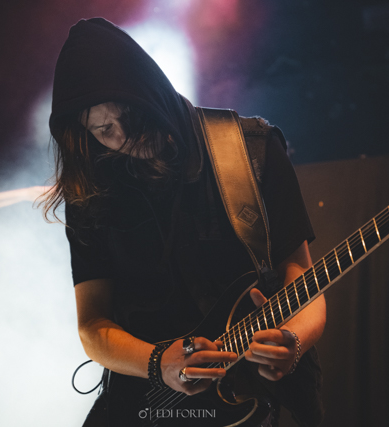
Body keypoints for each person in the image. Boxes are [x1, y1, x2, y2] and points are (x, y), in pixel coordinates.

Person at [44, 18, 326, 427]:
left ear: (151, 91)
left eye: (130, 115)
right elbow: (92, 325)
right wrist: (158, 363)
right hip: (145, 403)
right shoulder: (92, 189)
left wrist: (293, 340)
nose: (123, 135)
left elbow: (301, 276)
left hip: (251, 397)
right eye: (104, 130)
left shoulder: (252, 151)